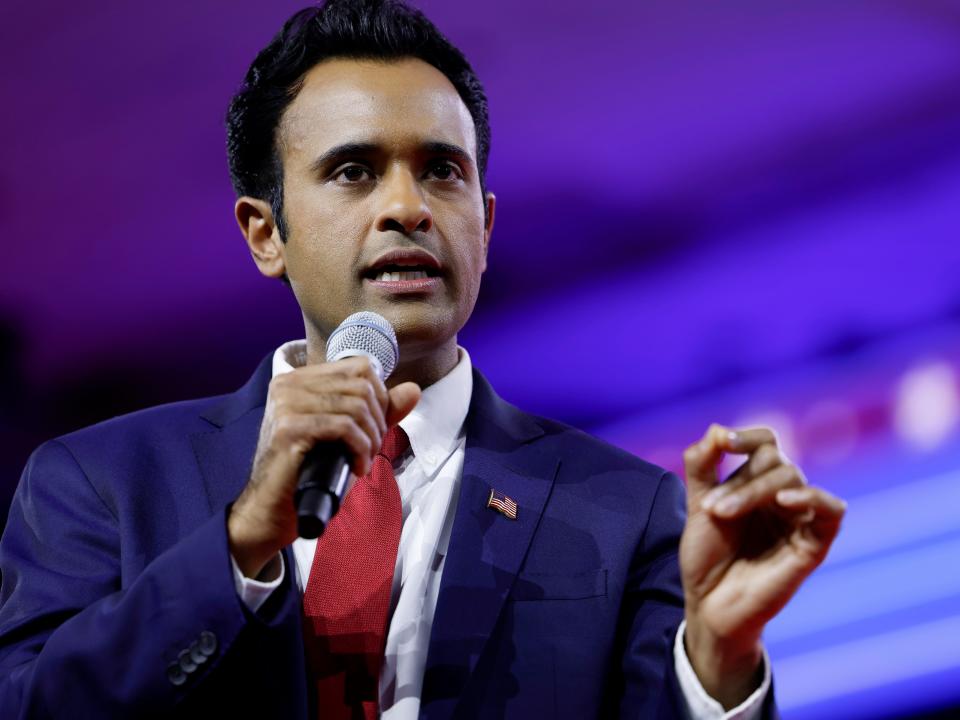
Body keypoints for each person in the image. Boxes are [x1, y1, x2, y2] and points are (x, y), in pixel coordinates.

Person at [0, 1, 846, 718]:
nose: (407, 207)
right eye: (354, 171)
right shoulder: (99, 482)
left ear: (483, 220)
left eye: (441, 171)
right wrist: (236, 546)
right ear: (266, 233)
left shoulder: (627, 513)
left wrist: (721, 666)